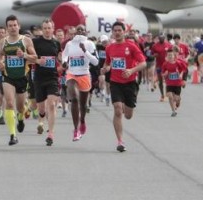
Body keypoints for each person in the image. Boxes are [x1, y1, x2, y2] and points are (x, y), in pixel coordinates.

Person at [102, 21, 147, 152]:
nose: (117, 32)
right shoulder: (109, 47)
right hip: (115, 82)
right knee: (117, 110)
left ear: (124, 32)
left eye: (119, 30)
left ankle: (125, 107)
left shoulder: (131, 46)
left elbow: (143, 63)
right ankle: (120, 141)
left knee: (128, 115)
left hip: (130, 83)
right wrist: (105, 68)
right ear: (112, 32)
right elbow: (108, 63)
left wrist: (131, 71)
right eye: (115, 30)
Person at [0, 15, 37, 146]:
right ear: (7, 28)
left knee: (20, 108)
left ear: (19, 26)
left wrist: (24, 55)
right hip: (8, 77)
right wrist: (0, 63)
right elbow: (1, 55)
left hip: (22, 77)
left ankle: (20, 118)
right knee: (9, 103)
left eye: (15, 25)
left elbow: (35, 57)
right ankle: (13, 135)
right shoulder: (3, 42)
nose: (13, 28)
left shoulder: (26, 41)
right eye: (10, 26)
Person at [61, 24, 98, 141]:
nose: (80, 31)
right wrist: (64, 62)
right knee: (74, 99)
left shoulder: (90, 44)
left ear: (86, 32)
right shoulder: (70, 44)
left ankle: (82, 121)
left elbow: (96, 62)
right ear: (75, 32)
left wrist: (85, 51)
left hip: (85, 75)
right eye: (78, 30)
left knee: (83, 104)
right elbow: (64, 55)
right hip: (72, 74)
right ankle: (76, 130)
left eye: (82, 30)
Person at [32, 19, 62, 146]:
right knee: (42, 108)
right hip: (39, 78)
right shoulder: (35, 42)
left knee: (51, 105)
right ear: (42, 29)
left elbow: (59, 58)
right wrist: (38, 61)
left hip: (52, 78)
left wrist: (63, 61)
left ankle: (50, 134)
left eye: (49, 28)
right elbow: (29, 57)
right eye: (45, 28)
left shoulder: (56, 43)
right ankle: (42, 116)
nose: (47, 30)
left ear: (53, 28)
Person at [161, 49, 187, 117]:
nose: (170, 56)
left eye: (171, 55)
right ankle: (173, 111)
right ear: (167, 56)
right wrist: (165, 74)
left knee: (176, 98)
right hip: (169, 83)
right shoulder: (165, 64)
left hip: (177, 84)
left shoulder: (178, 63)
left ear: (174, 56)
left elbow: (184, 69)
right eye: (168, 55)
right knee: (169, 96)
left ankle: (178, 101)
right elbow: (162, 74)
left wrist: (181, 74)